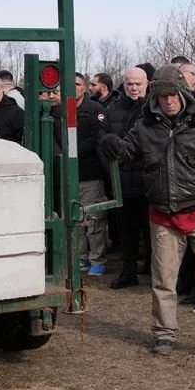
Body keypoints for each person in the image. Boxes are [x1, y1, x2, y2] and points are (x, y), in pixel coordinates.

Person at [99, 65, 195, 362]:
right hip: (163, 215)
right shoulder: (144, 125)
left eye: (173, 95)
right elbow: (127, 152)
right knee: (164, 279)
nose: (168, 101)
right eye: (162, 96)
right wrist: (113, 146)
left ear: (184, 93)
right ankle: (164, 333)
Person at [107, 67, 150, 289]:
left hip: (147, 180)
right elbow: (103, 139)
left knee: (151, 231)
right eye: (129, 84)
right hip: (122, 180)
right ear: (123, 84)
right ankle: (128, 271)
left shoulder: (153, 109)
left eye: (138, 84)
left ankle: (154, 270)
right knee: (127, 231)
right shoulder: (113, 109)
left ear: (146, 84)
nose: (134, 88)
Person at [73, 73, 109, 276]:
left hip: (90, 173)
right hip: (69, 176)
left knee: (94, 220)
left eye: (77, 84)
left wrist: (72, 153)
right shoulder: (58, 110)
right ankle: (80, 257)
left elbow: (97, 138)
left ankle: (97, 259)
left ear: (84, 87)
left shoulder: (96, 110)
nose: (73, 88)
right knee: (75, 220)